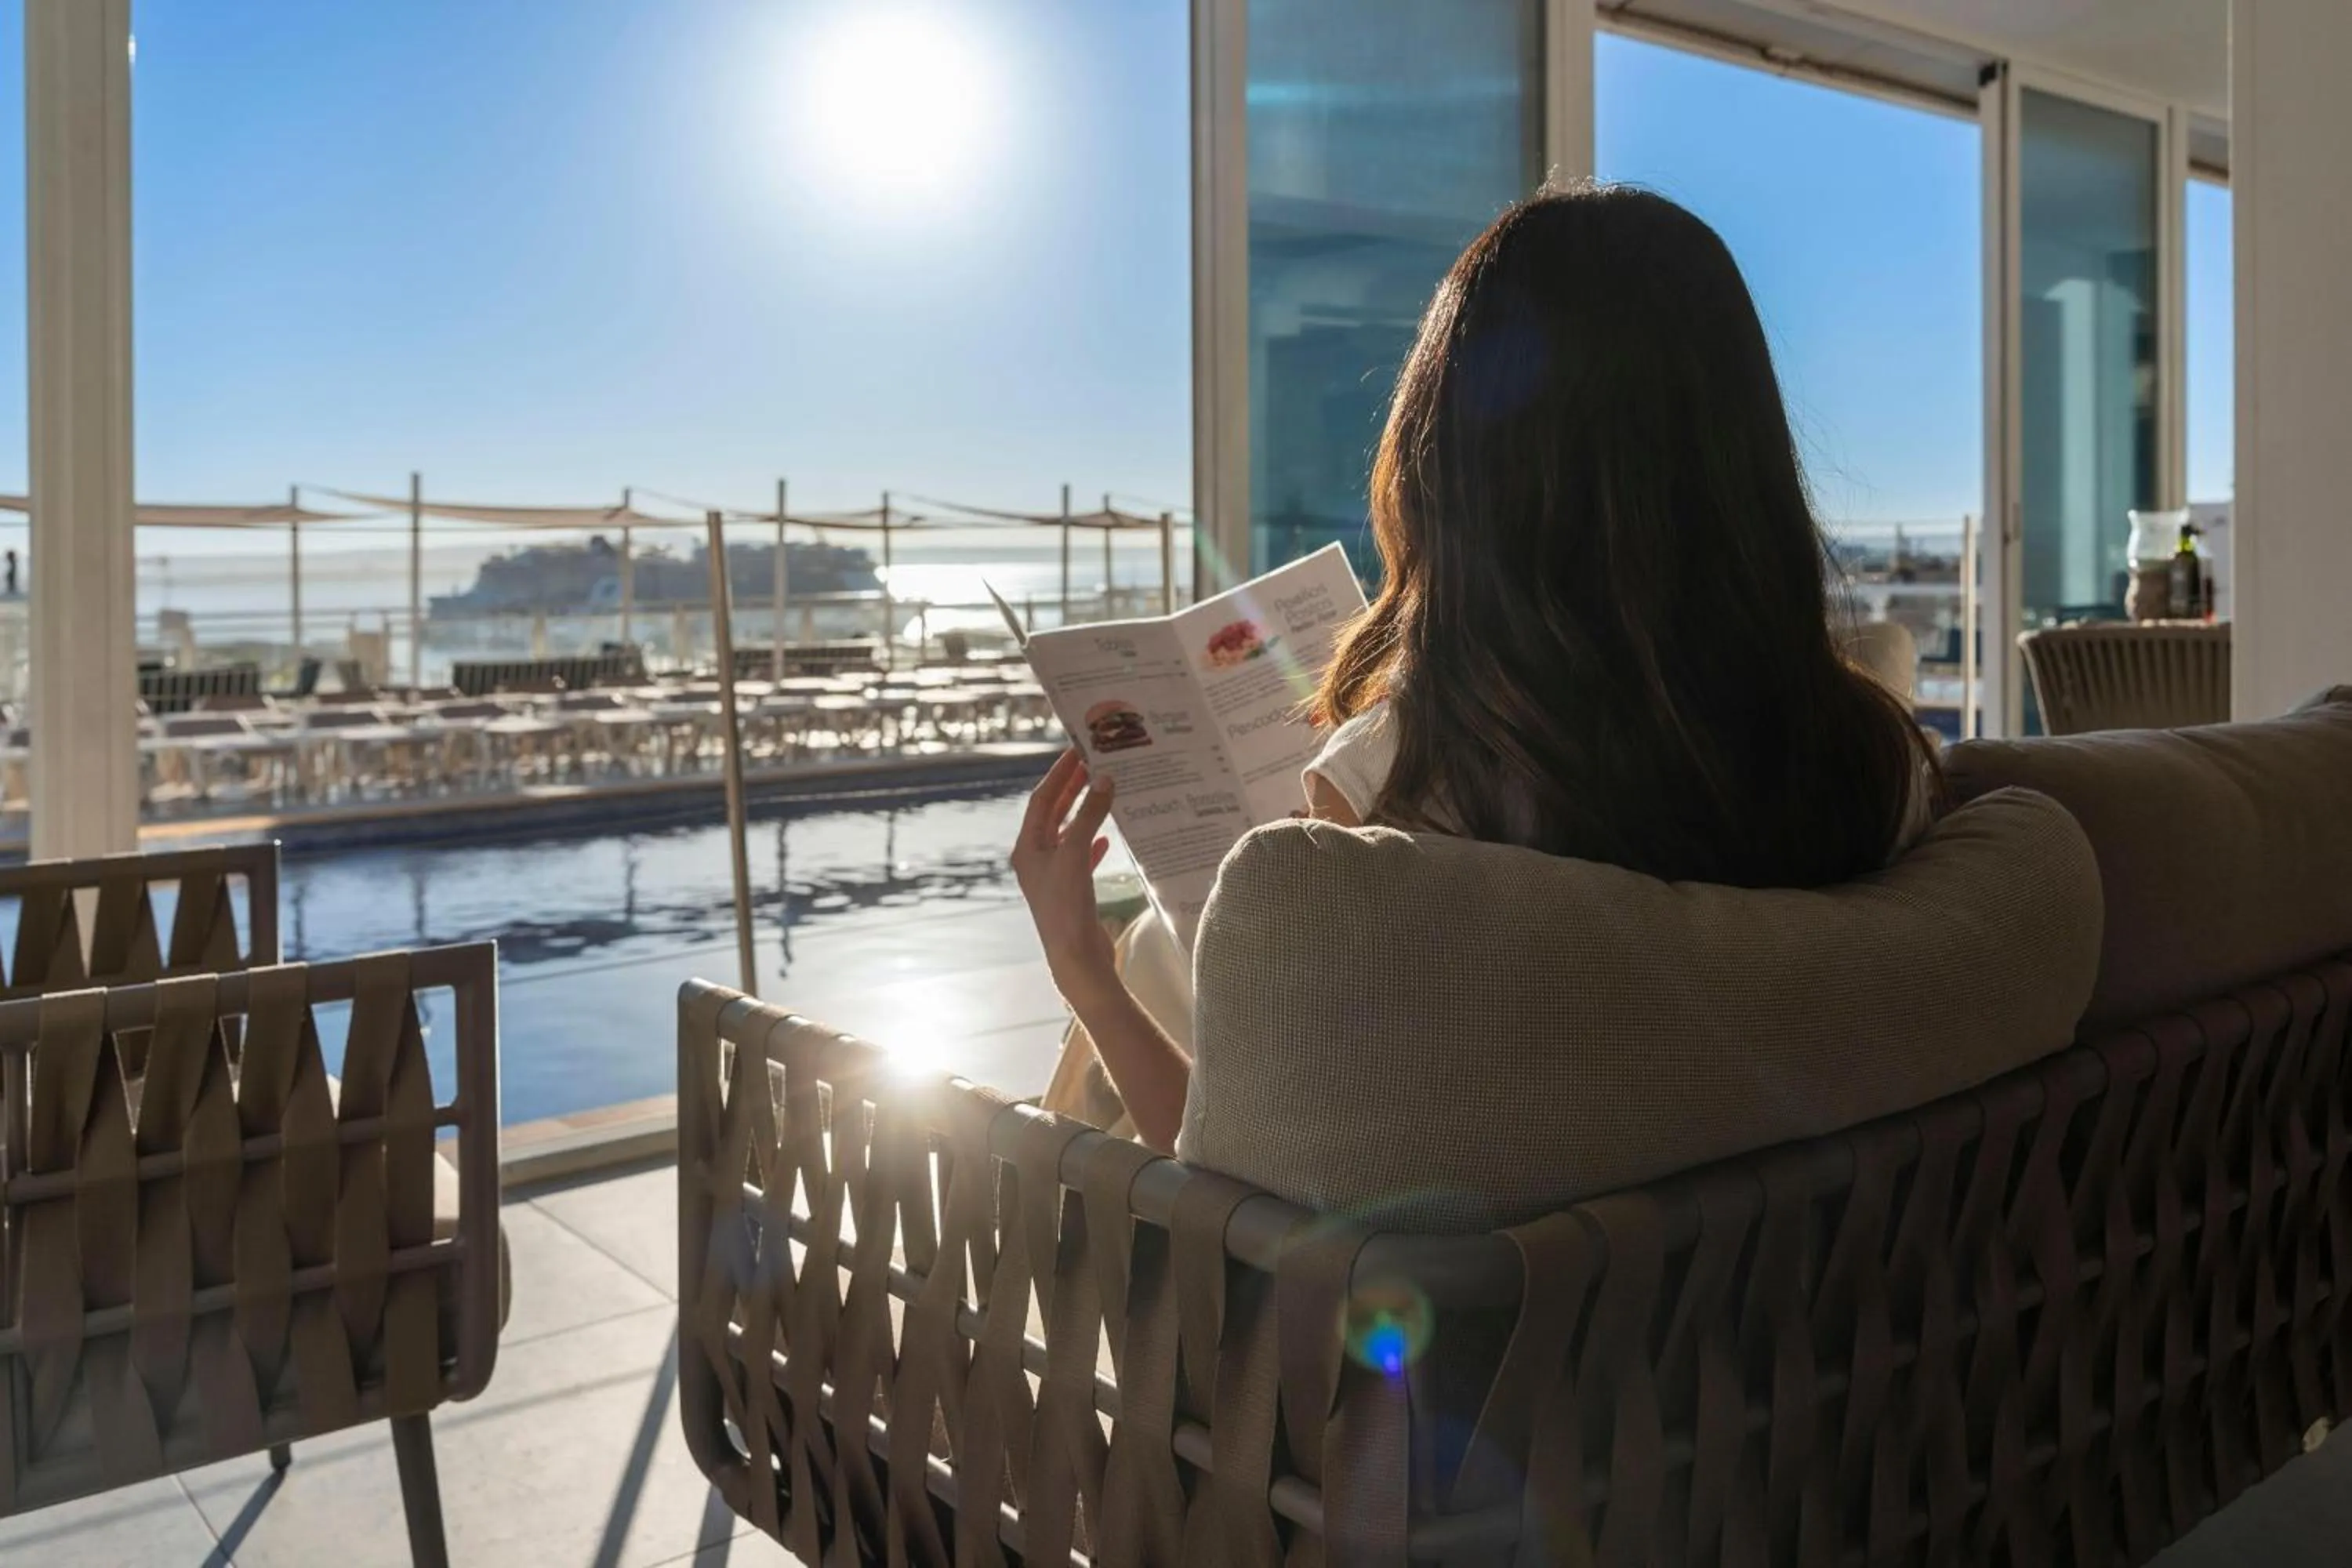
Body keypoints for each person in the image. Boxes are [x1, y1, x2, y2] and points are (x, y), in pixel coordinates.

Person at [1014, 182, 1942, 1154]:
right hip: (1778, 1243)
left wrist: (1083, 970)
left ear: (1450, 464)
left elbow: (1244, 1180)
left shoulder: (1408, 792)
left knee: (1143, 965)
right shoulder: (1881, 770)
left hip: (1456, 1253)